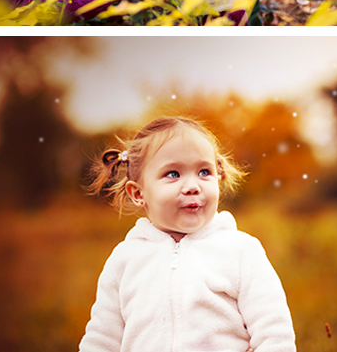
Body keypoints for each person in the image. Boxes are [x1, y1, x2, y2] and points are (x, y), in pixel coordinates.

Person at [81, 116, 296, 352]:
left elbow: (274, 332)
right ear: (138, 193)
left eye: (204, 172)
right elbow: (102, 339)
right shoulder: (125, 260)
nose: (193, 186)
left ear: (219, 176)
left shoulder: (240, 251)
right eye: (173, 174)